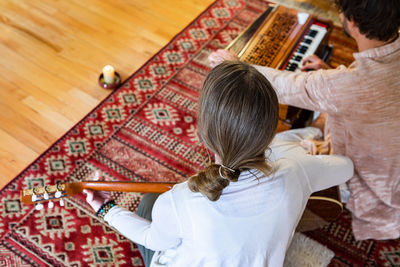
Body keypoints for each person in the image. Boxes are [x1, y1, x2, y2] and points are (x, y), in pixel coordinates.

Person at [84, 61, 353, 267]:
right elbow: (346, 167)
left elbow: (151, 238)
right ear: (270, 130)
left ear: (203, 133)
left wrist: (104, 207)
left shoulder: (178, 202)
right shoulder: (296, 170)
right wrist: (315, 151)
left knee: (148, 204)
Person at [208, 0, 400, 240]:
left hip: (376, 179)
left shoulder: (345, 84)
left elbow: (284, 86)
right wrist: (331, 72)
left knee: (263, 153)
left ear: (350, 20)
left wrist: (235, 66)